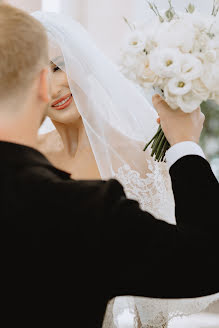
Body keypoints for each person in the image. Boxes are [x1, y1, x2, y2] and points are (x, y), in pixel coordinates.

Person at [0, 4, 218, 328]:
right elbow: (206, 258)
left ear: (85, 64)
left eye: (60, 66)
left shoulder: (143, 159)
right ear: (36, 84)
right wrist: (186, 144)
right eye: (44, 72)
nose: (57, 87)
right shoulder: (73, 198)